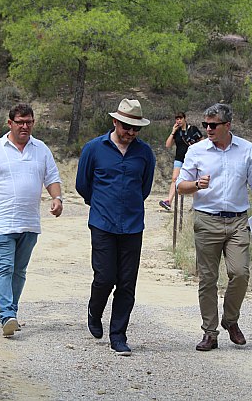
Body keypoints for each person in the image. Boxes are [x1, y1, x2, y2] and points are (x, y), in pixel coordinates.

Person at [176, 102, 252, 351]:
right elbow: (180, 186)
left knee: (240, 273)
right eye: (205, 124)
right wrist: (197, 184)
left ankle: (230, 320)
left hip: (238, 221)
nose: (208, 129)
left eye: (213, 125)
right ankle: (210, 333)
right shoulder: (196, 151)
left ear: (227, 125)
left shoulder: (247, 149)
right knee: (208, 278)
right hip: (207, 220)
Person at [0, 103, 63, 338]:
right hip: (2, 222)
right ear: (10, 123)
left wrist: (57, 198)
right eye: (20, 122)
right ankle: (7, 315)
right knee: (4, 267)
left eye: (28, 122)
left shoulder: (41, 149)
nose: (24, 126)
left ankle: (12, 313)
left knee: (19, 271)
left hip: (29, 222)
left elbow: (52, 177)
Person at [75, 98, 156, 356]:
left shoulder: (145, 153)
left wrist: (127, 205)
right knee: (105, 277)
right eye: (126, 127)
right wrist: (102, 203)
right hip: (102, 223)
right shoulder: (93, 148)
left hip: (132, 225)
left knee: (127, 283)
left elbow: (144, 188)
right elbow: (82, 184)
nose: (131, 132)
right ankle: (94, 310)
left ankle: (118, 336)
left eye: (136, 128)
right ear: (115, 122)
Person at [159, 112, 202, 211]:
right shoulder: (177, 131)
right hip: (179, 158)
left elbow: (202, 141)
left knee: (193, 180)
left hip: (191, 159)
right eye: (177, 119)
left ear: (184, 119)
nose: (179, 121)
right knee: (175, 179)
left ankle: (196, 203)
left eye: (180, 118)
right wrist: (173, 132)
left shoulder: (193, 129)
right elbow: (168, 145)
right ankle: (169, 201)